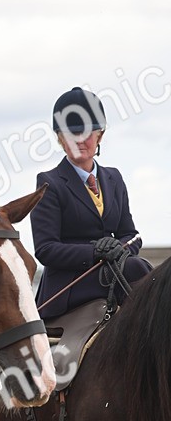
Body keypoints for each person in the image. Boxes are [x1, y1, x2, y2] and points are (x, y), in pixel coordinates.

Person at [31, 88, 152, 319]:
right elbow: (45, 249)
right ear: (60, 138)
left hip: (114, 272)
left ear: (99, 135)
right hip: (70, 284)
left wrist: (118, 249)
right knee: (137, 268)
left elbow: (131, 235)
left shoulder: (114, 178)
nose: (79, 140)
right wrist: (95, 251)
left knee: (149, 273)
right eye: (71, 134)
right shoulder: (49, 183)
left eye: (86, 133)